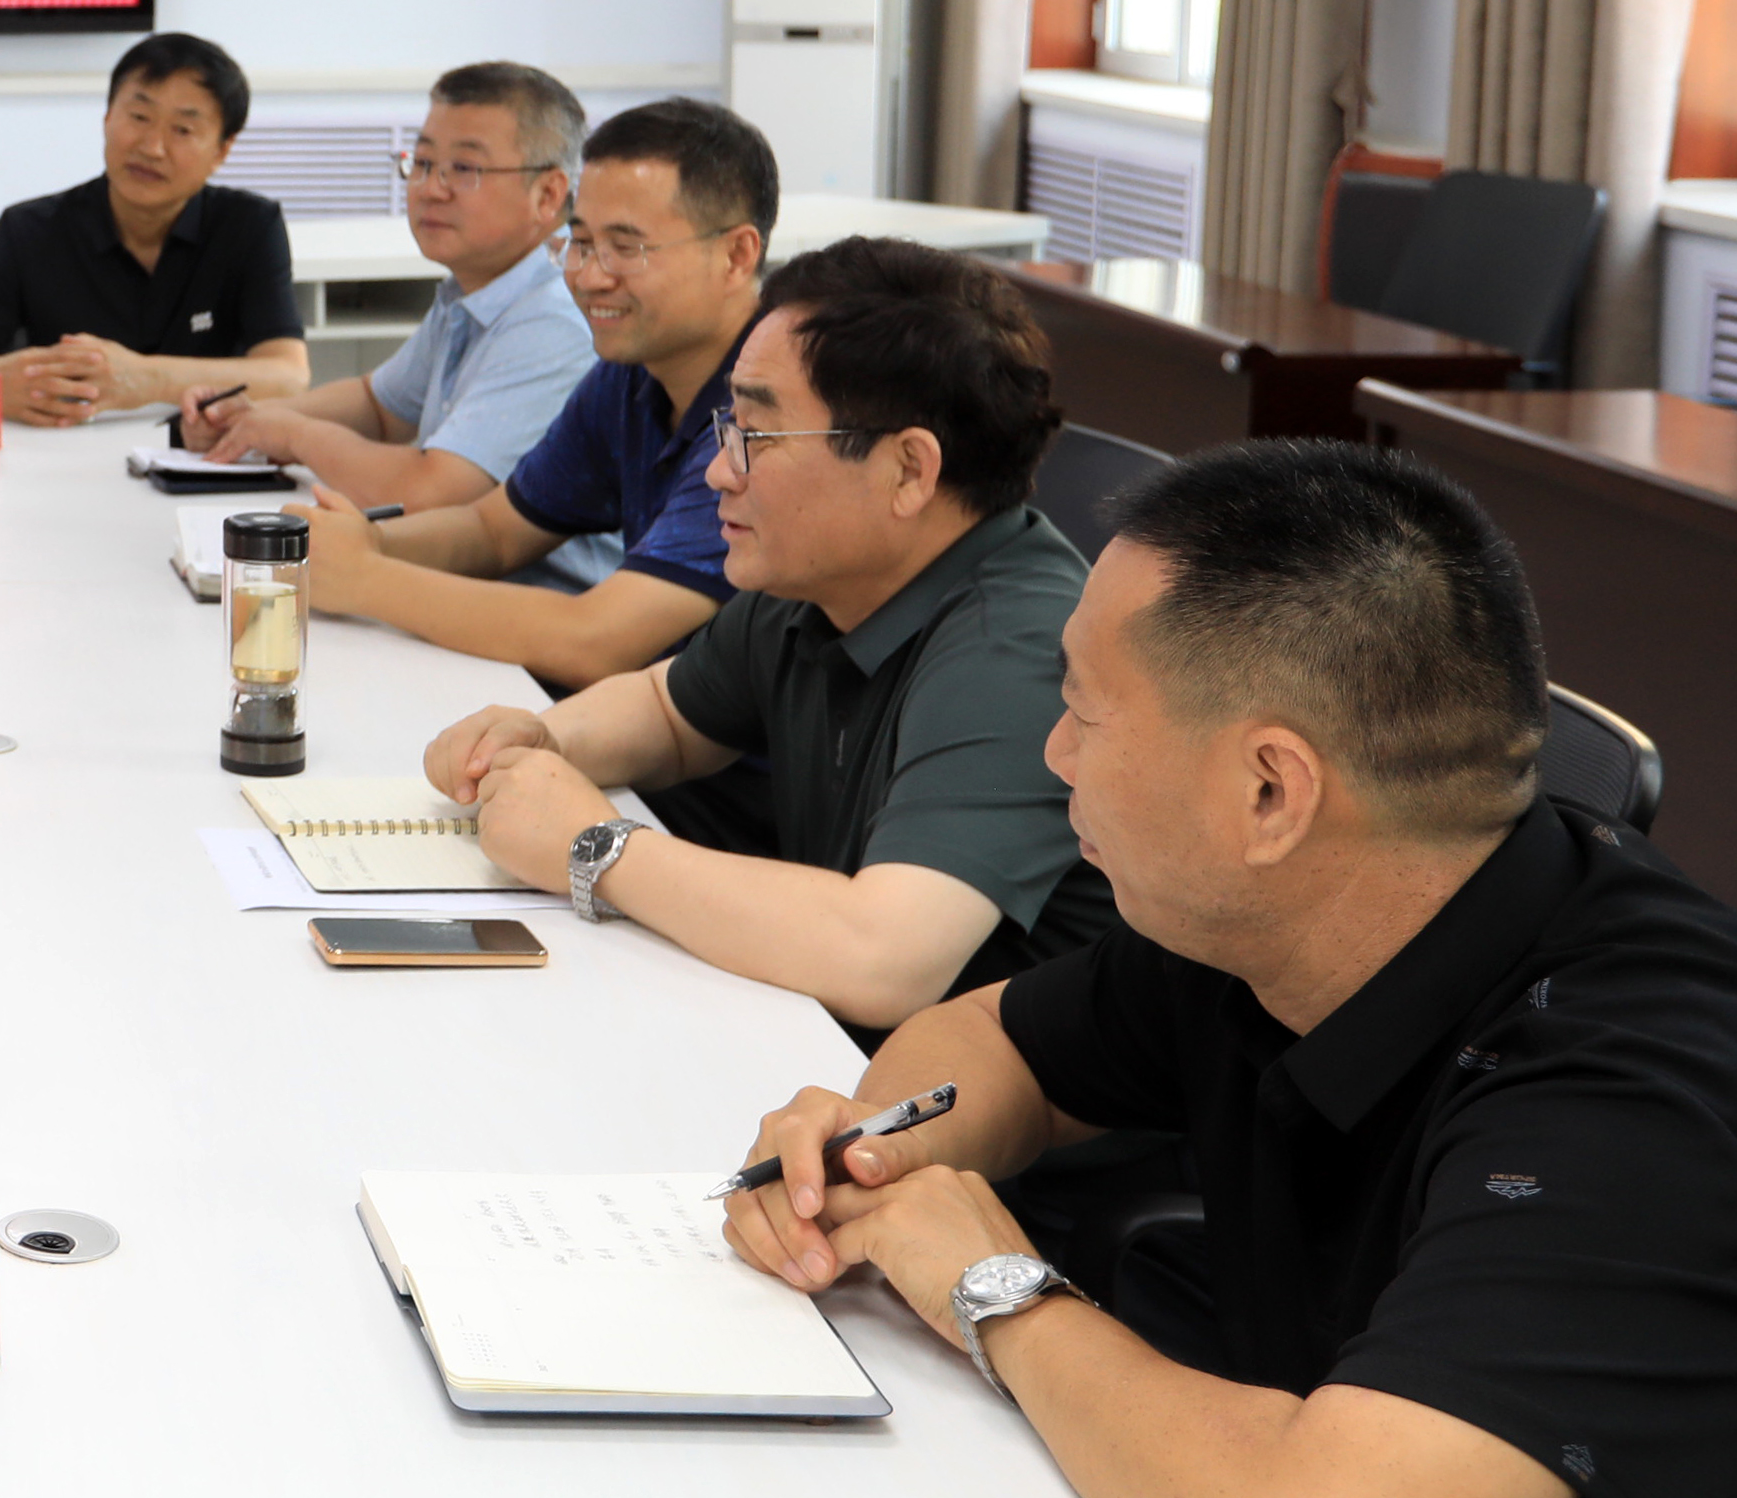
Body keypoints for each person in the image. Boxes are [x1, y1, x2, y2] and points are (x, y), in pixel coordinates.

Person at [718, 442, 1737, 1498]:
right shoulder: (1282, 909)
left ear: (1271, 791)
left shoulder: (1634, 1097)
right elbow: (994, 1038)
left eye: (1083, 713)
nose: (1054, 755)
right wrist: (877, 1162)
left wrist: (993, 1288)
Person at [419, 239, 1112, 1032]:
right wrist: (539, 741)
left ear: (909, 471)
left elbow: (884, 957)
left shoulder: (1019, 648)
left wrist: (594, 845)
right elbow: (671, 713)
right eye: (729, 425)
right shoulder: (821, 578)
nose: (719, 470)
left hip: (976, 1102)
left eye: (758, 435)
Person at [284, 96, 774, 693]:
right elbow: (494, 531)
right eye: (581, 243)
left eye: (626, 248)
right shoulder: (631, 375)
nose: (590, 276)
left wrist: (365, 578)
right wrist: (369, 542)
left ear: (735, 255)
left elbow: (597, 641)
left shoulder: (768, 414)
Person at [177, 60, 596, 530]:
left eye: (464, 168)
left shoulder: (555, 319)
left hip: (530, 579)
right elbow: (379, 407)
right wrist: (246, 419)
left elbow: (428, 495)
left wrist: (293, 434)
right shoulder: (475, 289)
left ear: (547, 195)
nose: (430, 189)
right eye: (423, 163)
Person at [0, 31, 309, 426]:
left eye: (182, 130)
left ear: (221, 150)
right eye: (139, 117)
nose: (152, 147)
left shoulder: (249, 226)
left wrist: (147, 379)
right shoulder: (27, 230)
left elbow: (289, 377)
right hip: (64, 447)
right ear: (108, 118)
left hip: (202, 448)